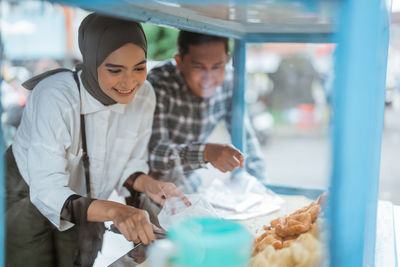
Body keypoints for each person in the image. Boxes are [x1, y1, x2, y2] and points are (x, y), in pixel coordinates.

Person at [6, 13, 189, 267]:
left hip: (85, 201)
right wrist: (115, 210)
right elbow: (47, 191)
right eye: (115, 70)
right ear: (91, 62)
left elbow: (129, 162)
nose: (130, 82)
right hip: (27, 196)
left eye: (139, 68)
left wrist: (149, 184)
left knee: (77, 259)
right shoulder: (55, 97)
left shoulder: (145, 95)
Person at [147, 30, 266, 192]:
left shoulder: (230, 81)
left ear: (227, 60)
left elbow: (246, 140)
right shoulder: (159, 82)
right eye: (199, 67)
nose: (209, 77)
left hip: (191, 183)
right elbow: (154, 154)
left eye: (217, 66)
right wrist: (206, 152)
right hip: (149, 187)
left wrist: (258, 185)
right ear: (180, 62)